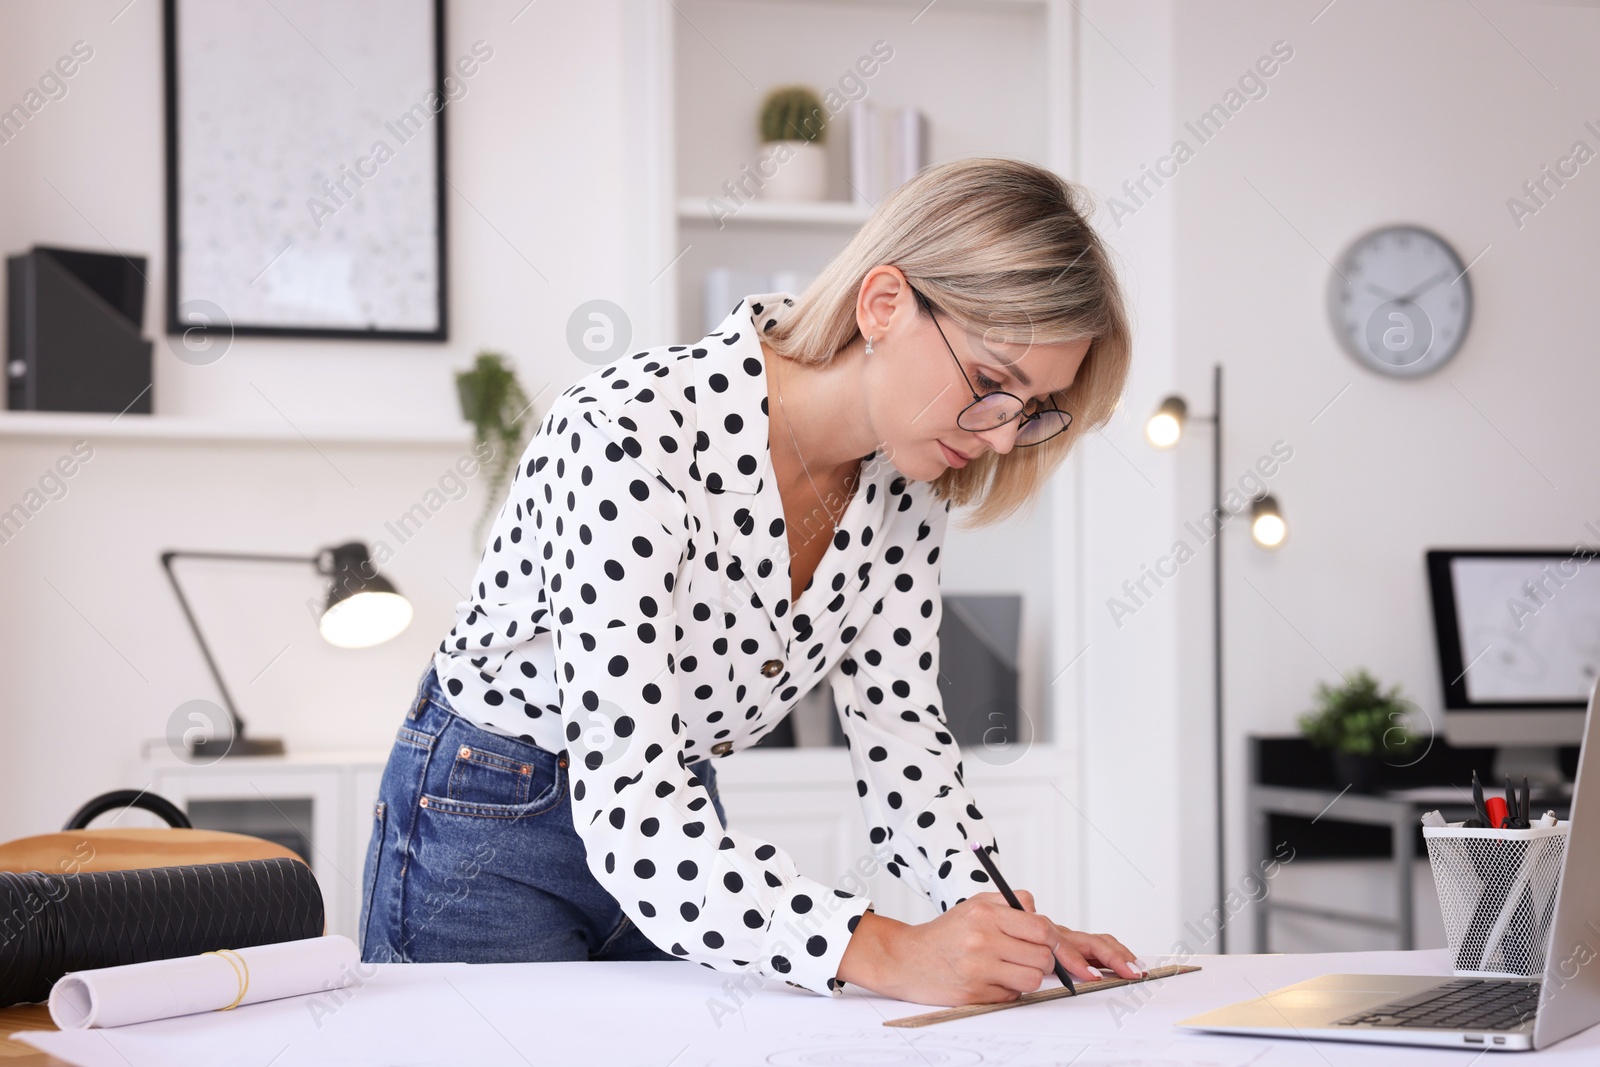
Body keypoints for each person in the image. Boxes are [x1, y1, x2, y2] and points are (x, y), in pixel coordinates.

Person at [360, 156, 1140, 1006]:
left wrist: (993, 922)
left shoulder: (907, 490)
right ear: (885, 303)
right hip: (491, 812)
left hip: (679, 825)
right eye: (993, 384)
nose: (1000, 438)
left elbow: (902, 736)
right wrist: (882, 948)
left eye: (1033, 411)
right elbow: (627, 799)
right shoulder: (631, 433)